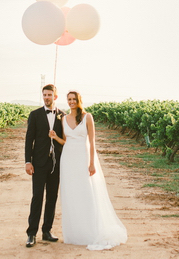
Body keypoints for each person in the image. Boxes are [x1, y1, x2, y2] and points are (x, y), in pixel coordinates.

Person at [49, 90, 127, 250]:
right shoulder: (64, 119)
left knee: (86, 192)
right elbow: (66, 141)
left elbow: (92, 142)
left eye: (74, 99)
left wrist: (91, 163)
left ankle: (90, 231)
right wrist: (55, 137)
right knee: (71, 195)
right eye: (69, 99)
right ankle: (75, 234)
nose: (71, 102)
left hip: (83, 158)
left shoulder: (87, 117)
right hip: (68, 160)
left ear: (79, 100)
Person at [24, 84, 64, 247]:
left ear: (55, 97)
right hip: (39, 163)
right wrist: (28, 161)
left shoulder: (63, 116)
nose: (46, 98)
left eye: (49, 95)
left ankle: (47, 231)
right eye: (44, 95)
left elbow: (65, 140)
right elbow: (29, 139)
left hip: (56, 164)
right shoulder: (35, 115)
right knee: (37, 197)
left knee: (52, 198)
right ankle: (31, 233)